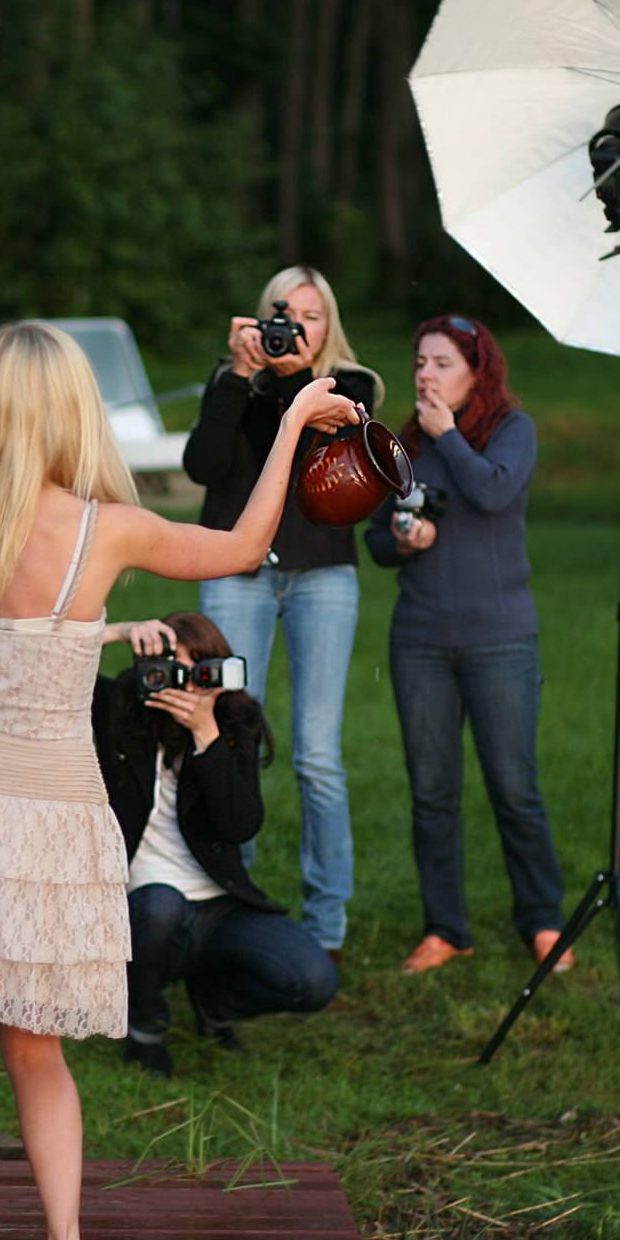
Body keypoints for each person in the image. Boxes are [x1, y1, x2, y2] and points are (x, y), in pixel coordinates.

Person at [0, 320, 359, 1240]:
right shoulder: (105, 529)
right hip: (55, 815)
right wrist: (296, 425)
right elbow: (237, 548)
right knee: (36, 1056)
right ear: (73, 413)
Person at [181, 265, 382, 959]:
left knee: (317, 755)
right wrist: (238, 379)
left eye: (310, 315)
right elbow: (203, 466)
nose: (292, 327)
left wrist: (298, 378)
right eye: (281, 313)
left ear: (329, 326)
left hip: (323, 578)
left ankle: (326, 923)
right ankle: (235, 904)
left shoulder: (352, 387)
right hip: (237, 576)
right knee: (235, 737)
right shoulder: (232, 379)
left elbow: (338, 453)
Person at [364, 316, 570, 975]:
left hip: (500, 641)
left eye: (442, 363)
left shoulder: (512, 429)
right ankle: (445, 928)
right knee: (432, 791)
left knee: (514, 787)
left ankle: (542, 920)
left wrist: (447, 437)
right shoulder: (400, 444)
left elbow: (489, 489)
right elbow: (374, 539)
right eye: (420, 361)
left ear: (477, 373)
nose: (425, 374)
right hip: (420, 641)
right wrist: (400, 541)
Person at [94, 612, 339, 1077]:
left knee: (314, 980)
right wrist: (120, 632)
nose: (183, 687)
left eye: (197, 674)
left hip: (221, 905)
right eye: (168, 672)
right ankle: (145, 1024)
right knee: (162, 908)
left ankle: (215, 1003)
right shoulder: (119, 709)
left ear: (216, 674)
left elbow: (240, 825)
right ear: (148, 670)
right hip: (145, 906)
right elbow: (51, 657)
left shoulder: (232, 719)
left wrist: (207, 736)